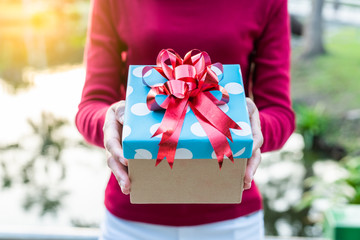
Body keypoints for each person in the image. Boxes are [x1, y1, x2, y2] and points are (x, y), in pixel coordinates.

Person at [75, 0, 295, 239]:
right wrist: (111, 124)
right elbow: (91, 105)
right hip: (131, 219)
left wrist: (252, 128)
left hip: (232, 220)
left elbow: (279, 113)